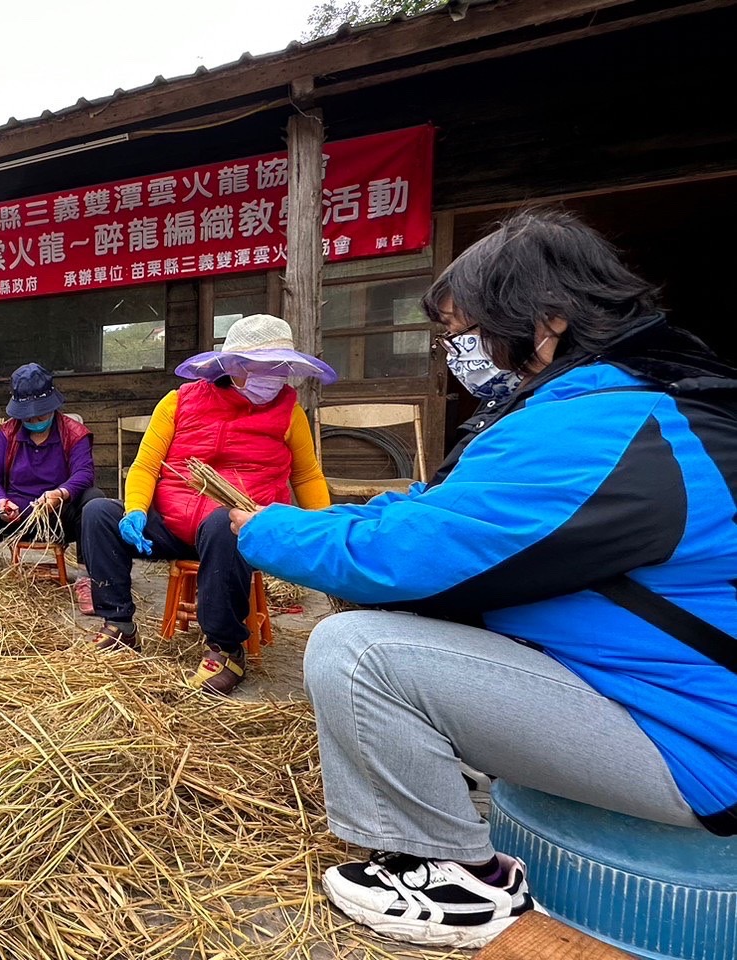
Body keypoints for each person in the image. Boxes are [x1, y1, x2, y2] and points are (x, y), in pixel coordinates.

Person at [232, 210, 737, 949]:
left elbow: (410, 556)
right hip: (670, 697)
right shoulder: (635, 403)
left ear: (547, 321)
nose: (454, 351)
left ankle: (448, 875)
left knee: (359, 648)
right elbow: (454, 512)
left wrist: (267, 529)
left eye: (462, 330)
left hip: (696, 738)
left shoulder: (603, 426)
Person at [80, 314, 332, 695]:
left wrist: (323, 528)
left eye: (278, 367)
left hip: (236, 529)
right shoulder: (178, 402)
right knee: (98, 512)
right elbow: (146, 465)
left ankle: (225, 648)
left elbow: (307, 476)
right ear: (231, 366)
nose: (272, 377)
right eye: (260, 367)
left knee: (225, 522)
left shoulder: (289, 413)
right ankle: (118, 625)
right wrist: (134, 509)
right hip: (173, 522)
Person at [0, 363, 101, 581]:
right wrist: (1, 502)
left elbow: (84, 474)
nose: (34, 421)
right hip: (12, 521)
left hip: (58, 519)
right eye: (28, 418)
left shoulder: (74, 433)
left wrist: (60, 494)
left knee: (94, 500)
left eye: (41, 416)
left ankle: (87, 579)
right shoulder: (8, 433)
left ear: (52, 407)